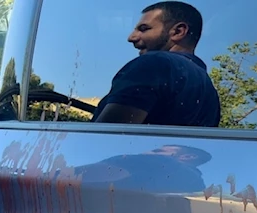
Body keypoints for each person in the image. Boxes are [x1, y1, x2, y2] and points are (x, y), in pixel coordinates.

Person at [92, 1, 221, 127]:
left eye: (143, 29)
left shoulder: (153, 64)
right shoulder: (210, 94)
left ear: (178, 32)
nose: (131, 37)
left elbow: (108, 137)